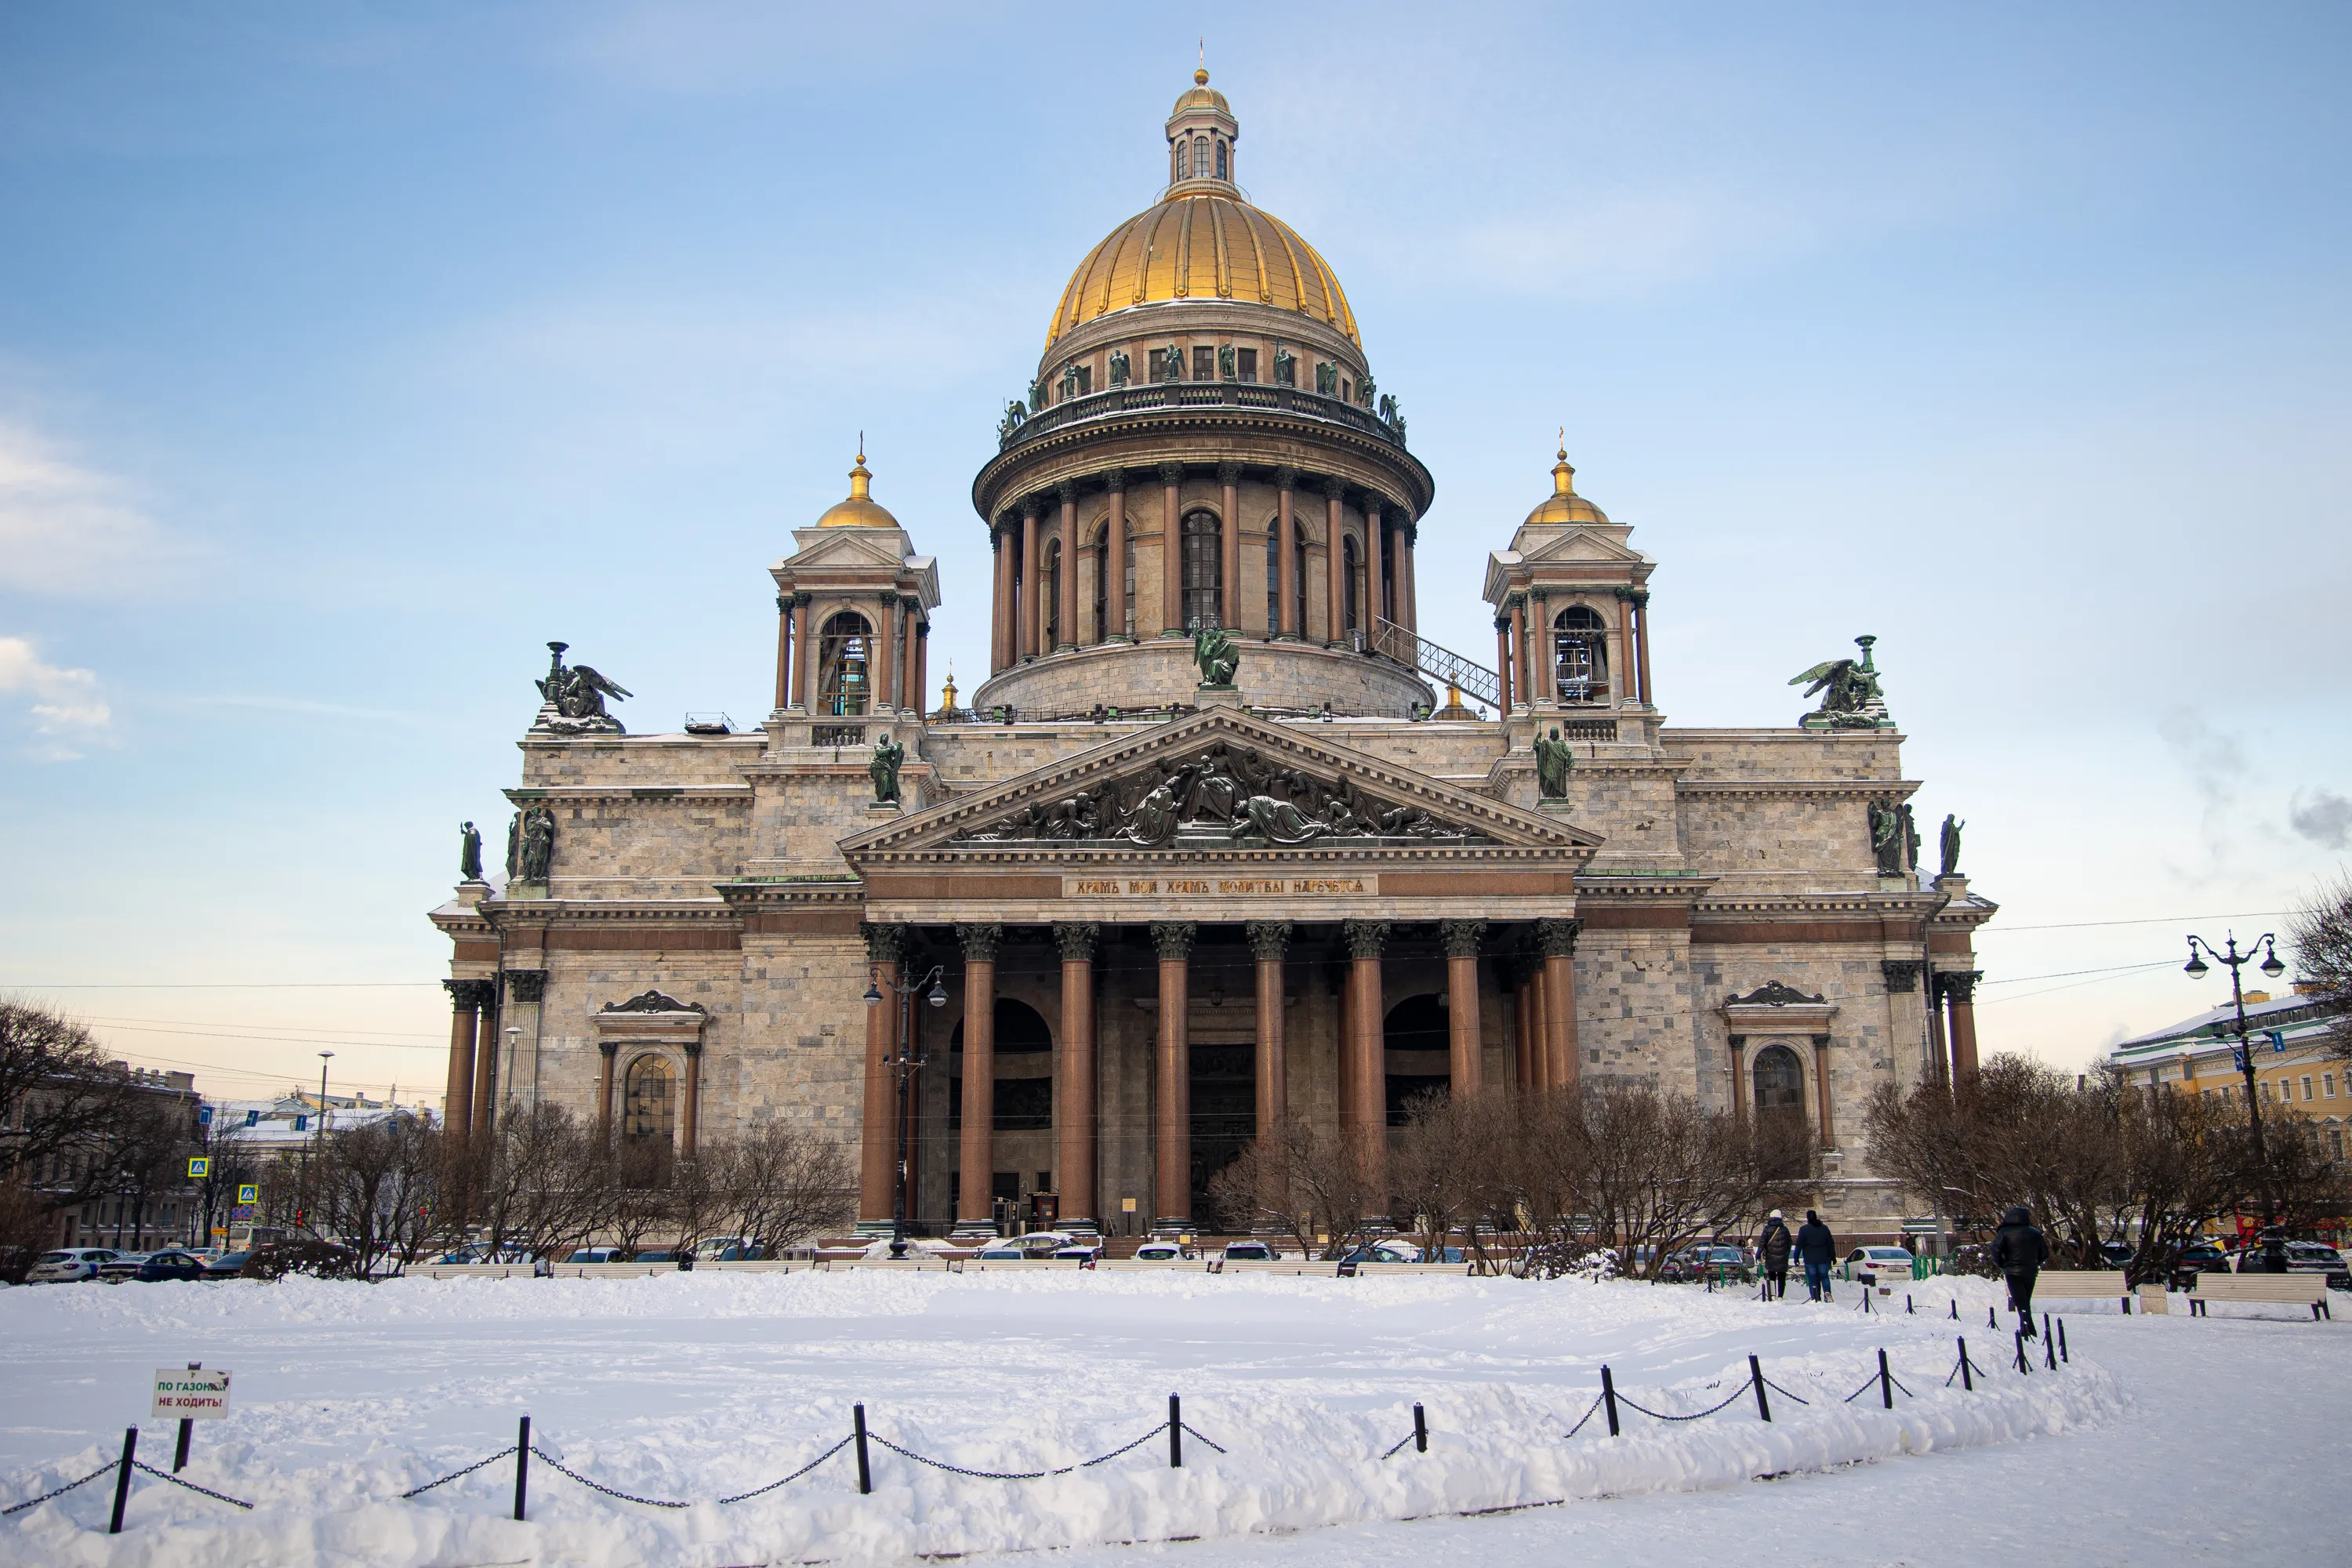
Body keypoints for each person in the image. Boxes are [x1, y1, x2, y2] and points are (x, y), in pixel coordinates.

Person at [1990, 1205, 2049, 1335]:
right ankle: (2026, 1328)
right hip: (2030, 1272)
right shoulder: (2035, 1233)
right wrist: (2033, 1263)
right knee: (2025, 1300)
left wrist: (2002, 1264)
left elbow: (1995, 1249)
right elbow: (2044, 1254)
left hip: (2013, 1272)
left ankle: (2029, 1330)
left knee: (2021, 1302)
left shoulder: (2004, 1232)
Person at [1795, 1209, 1836, 1301]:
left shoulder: (1804, 1229)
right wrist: (1833, 1256)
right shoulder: (1824, 1228)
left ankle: (1815, 1297)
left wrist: (1796, 1257)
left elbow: (1799, 1245)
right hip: (1823, 1258)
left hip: (1810, 1259)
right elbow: (1830, 1243)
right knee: (1824, 1277)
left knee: (1812, 1278)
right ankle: (1827, 1292)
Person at [1759, 1210, 1793, 1300]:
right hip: (1782, 1257)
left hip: (1771, 1256)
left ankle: (1773, 1295)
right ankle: (1780, 1296)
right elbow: (1789, 1243)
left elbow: (1762, 1242)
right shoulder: (1785, 1229)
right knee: (1782, 1277)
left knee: (1772, 1275)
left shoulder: (1767, 1228)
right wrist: (1786, 1254)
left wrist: (1759, 1253)